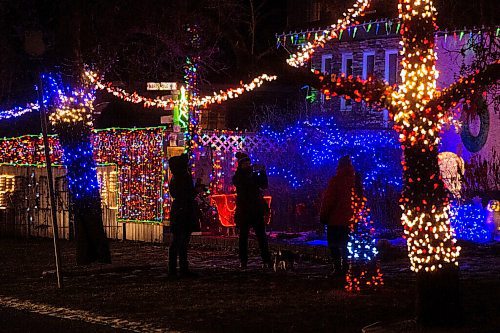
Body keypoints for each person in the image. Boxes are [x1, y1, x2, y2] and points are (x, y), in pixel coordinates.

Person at [320, 155, 363, 276]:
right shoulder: (355, 181)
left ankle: (337, 268)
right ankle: (346, 267)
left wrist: (323, 215)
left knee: (334, 245)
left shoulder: (336, 181)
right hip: (350, 220)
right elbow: (360, 199)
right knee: (346, 245)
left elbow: (329, 200)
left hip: (335, 219)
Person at [232, 152, 272, 269]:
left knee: (261, 237)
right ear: (240, 165)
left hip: (255, 209)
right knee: (243, 237)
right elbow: (239, 182)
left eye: (249, 163)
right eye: (245, 163)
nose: (248, 165)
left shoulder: (254, 175)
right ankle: (243, 261)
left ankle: (266, 260)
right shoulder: (238, 176)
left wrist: (263, 173)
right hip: (244, 210)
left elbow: (264, 185)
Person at [168, 153, 197, 278]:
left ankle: (174, 268)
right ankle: (181, 269)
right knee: (182, 241)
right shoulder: (183, 177)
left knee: (177, 241)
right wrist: (195, 191)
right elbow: (187, 193)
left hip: (178, 210)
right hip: (184, 210)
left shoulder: (175, 177)